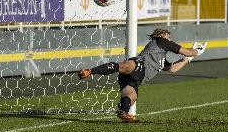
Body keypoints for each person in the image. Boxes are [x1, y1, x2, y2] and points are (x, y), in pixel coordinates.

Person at [78, 28, 207, 123]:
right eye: (168, 36)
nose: (170, 39)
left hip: (137, 78)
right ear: (161, 35)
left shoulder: (161, 57)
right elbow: (188, 51)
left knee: (131, 96)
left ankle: (123, 112)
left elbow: (173, 68)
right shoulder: (161, 40)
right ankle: (90, 71)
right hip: (139, 65)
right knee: (127, 65)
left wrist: (188, 59)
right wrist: (197, 51)